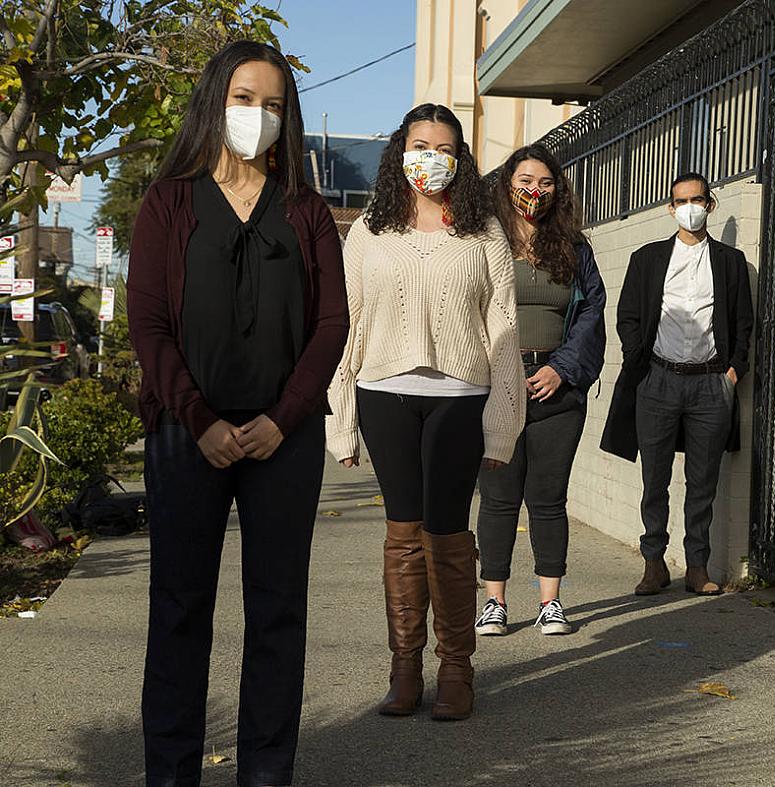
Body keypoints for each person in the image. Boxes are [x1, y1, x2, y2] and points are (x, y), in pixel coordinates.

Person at [128, 41, 348, 787]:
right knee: (180, 609)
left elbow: (331, 326)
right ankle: (171, 773)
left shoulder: (309, 212)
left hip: (284, 440)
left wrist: (285, 418)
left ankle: (265, 772)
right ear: (215, 101)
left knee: (278, 615)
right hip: (187, 438)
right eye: (245, 98)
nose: (259, 115)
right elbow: (149, 326)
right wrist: (199, 419)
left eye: (274, 103)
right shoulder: (168, 203)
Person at [326, 103, 524, 722]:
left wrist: (503, 421)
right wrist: (343, 416)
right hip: (384, 392)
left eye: (443, 148)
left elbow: (503, 323)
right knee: (402, 535)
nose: (430, 158)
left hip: (461, 399)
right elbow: (348, 324)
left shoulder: (484, 230)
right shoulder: (368, 231)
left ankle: (457, 669)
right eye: (419, 145)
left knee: (447, 533)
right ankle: (404, 669)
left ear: (460, 158)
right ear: (399, 152)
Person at [474, 145, 606, 637]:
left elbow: (593, 313)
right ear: (507, 184)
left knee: (548, 499)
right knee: (499, 498)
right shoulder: (485, 242)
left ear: (558, 190)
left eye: (546, 182)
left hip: (557, 389)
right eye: (526, 179)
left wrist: (562, 369)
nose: (536, 190)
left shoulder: (574, 248)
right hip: (496, 387)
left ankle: (551, 602)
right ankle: (495, 601)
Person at [600, 173, 754, 597]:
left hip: (710, 383)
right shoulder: (648, 258)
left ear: (711, 204)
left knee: (703, 480)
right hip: (658, 379)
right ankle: (654, 563)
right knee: (655, 478)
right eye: (681, 201)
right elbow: (627, 314)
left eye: (697, 199)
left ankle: (697, 566)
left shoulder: (730, 262)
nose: (690, 207)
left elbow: (744, 322)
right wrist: (641, 363)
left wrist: (733, 372)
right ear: (670, 208)